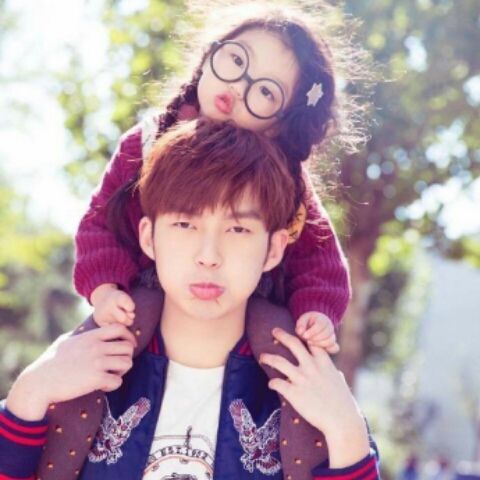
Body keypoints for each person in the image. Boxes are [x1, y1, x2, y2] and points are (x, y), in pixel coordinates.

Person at [1, 120, 379, 479]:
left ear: (274, 249)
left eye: (238, 229)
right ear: (148, 237)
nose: (209, 255)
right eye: (185, 224)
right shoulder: (79, 370)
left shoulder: (306, 394)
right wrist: (30, 393)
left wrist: (347, 432)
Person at [75, 2, 375, 352]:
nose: (238, 87)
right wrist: (105, 289)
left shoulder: (287, 185)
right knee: (107, 342)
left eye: (266, 91)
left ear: (279, 125)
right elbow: (100, 222)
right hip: (143, 290)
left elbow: (319, 259)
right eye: (236, 59)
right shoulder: (147, 143)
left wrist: (316, 311)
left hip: (244, 309)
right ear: (209, 56)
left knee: (280, 342)